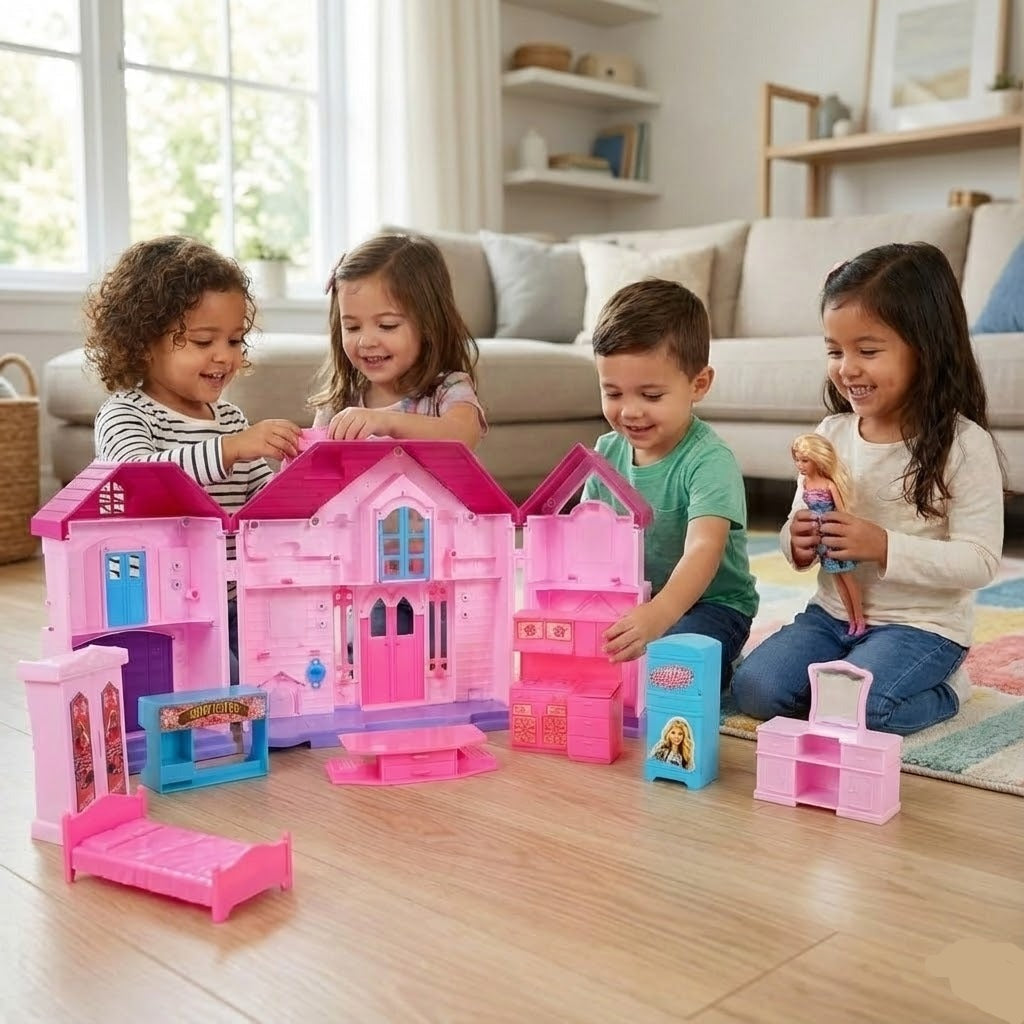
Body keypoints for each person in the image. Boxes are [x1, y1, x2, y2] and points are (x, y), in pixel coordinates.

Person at [731, 242, 1005, 736]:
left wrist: (882, 545)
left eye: (868, 351)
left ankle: (948, 688)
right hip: (831, 616)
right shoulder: (831, 434)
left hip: (921, 627)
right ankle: (839, 685)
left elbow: (980, 561)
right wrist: (797, 541)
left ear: (926, 347)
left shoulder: (964, 445)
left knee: (865, 710)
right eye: (835, 351)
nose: (847, 368)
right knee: (755, 689)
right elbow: (798, 521)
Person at [86, 235, 302, 687]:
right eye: (204, 341)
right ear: (144, 343)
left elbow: (263, 504)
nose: (224, 355)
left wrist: (298, 478)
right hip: (166, 612)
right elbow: (138, 482)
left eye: (236, 340)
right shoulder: (126, 414)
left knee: (290, 670)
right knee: (231, 685)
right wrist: (230, 449)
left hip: (238, 601)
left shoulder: (230, 419)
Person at [581, 279, 759, 686]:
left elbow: (703, 549)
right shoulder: (606, 452)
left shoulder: (708, 460)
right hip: (636, 596)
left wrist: (659, 614)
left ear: (699, 384)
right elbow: (589, 538)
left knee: (671, 673)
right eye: (613, 393)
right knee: (587, 658)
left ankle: (719, 662)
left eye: (651, 396)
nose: (630, 411)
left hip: (714, 605)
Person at [310, 232, 486, 448]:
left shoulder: (449, 388)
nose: (366, 342)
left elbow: (463, 436)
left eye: (387, 325)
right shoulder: (339, 403)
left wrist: (385, 422)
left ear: (428, 323)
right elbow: (314, 464)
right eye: (352, 327)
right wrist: (291, 447)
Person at [791, 432, 865, 636]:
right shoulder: (805, 483)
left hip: (834, 535)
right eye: (797, 460)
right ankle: (850, 620)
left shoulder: (829, 484)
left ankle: (859, 620)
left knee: (848, 578)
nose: (800, 465)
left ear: (816, 459)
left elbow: (842, 511)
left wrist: (843, 533)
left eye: (805, 460)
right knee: (837, 580)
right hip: (821, 538)